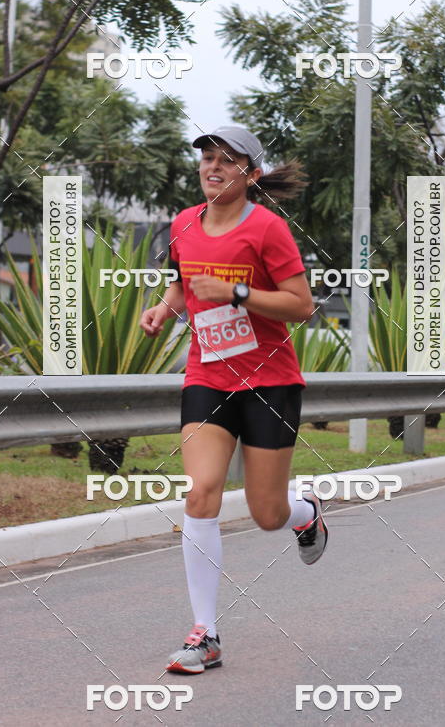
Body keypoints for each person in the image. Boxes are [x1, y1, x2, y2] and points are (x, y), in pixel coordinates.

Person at [140, 125, 328, 675]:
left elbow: (301, 305)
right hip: (208, 378)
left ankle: (305, 513)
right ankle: (206, 634)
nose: (213, 168)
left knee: (266, 513)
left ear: (250, 174)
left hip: (270, 383)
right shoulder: (183, 224)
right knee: (200, 492)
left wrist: (238, 292)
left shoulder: (267, 230)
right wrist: (165, 308)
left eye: (226, 161)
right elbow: (182, 284)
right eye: (206, 159)